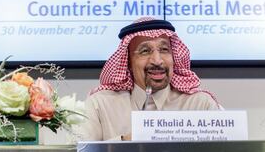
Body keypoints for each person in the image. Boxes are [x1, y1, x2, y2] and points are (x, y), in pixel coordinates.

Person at [80, 17, 221, 140]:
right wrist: (125, 141)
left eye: (164, 50)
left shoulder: (200, 104)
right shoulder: (100, 105)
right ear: (128, 61)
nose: (157, 60)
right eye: (145, 51)